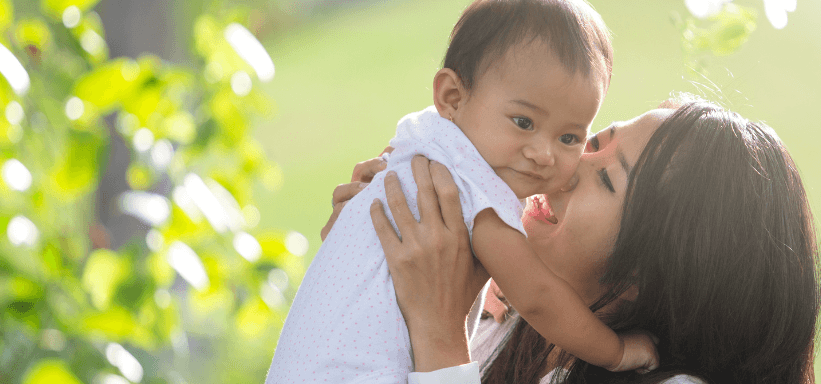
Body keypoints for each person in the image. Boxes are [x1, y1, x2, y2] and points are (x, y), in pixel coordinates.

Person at [267, 0, 660, 382]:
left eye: (570, 137)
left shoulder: (423, 138)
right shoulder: (477, 188)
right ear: (452, 96)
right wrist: (617, 352)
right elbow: (538, 297)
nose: (544, 154)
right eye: (523, 122)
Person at [344, 98, 821, 383]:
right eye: (592, 143)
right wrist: (370, 253)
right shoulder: (521, 319)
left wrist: (437, 328)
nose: (565, 165)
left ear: (658, 277)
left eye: (608, 180)